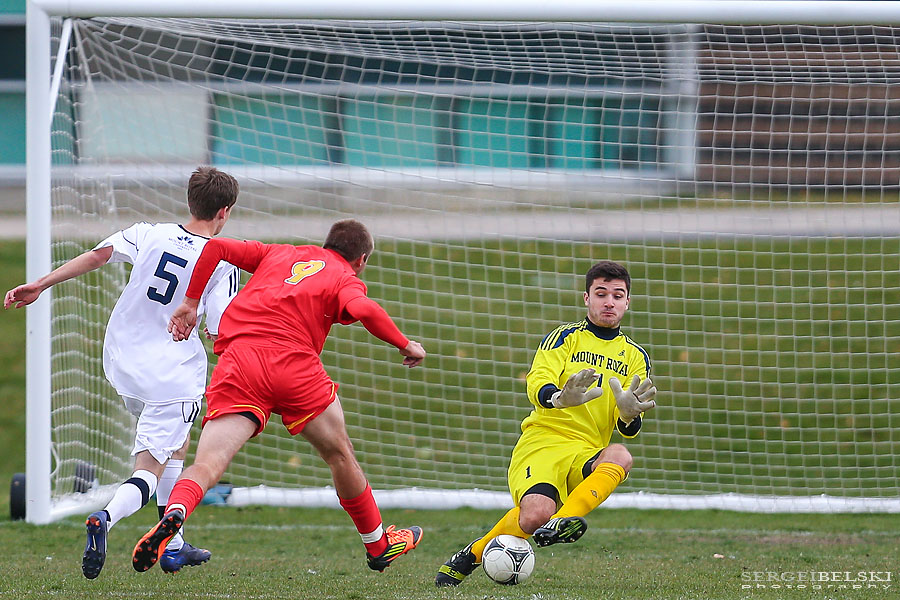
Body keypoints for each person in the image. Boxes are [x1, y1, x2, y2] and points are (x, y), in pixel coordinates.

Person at [130, 219, 427, 574]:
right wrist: (405, 344)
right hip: (294, 368)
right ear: (361, 259)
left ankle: (176, 512)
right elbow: (364, 309)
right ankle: (379, 545)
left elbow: (216, 248)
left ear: (326, 242)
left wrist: (192, 303)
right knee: (339, 454)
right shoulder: (344, 277)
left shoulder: (280, 253)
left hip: (240, 362)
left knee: (209, 464)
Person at [4, 167, 240, 578]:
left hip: (121, 361)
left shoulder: (149, 232)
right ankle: (106, 520)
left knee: (175, 445)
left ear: (189, 201)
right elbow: (221, 328)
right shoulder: (223, 260)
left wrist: (40, 284)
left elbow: (99, 255)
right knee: (148, 469)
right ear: (225, 212)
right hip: (171, 374)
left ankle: (174, 546)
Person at [435, 260, 657, 587]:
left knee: (621, 454)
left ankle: (564, 520)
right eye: (601, 293)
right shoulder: (564, 338)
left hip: (585, 452)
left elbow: (629, 429)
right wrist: (557, 398)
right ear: (586, 298)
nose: (609, 301)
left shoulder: (636, 357)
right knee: (535, 516)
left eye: (617, 295)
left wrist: (628, 414)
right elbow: (536, 381)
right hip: (543, 443)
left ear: (627, 302)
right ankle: (472, 554)